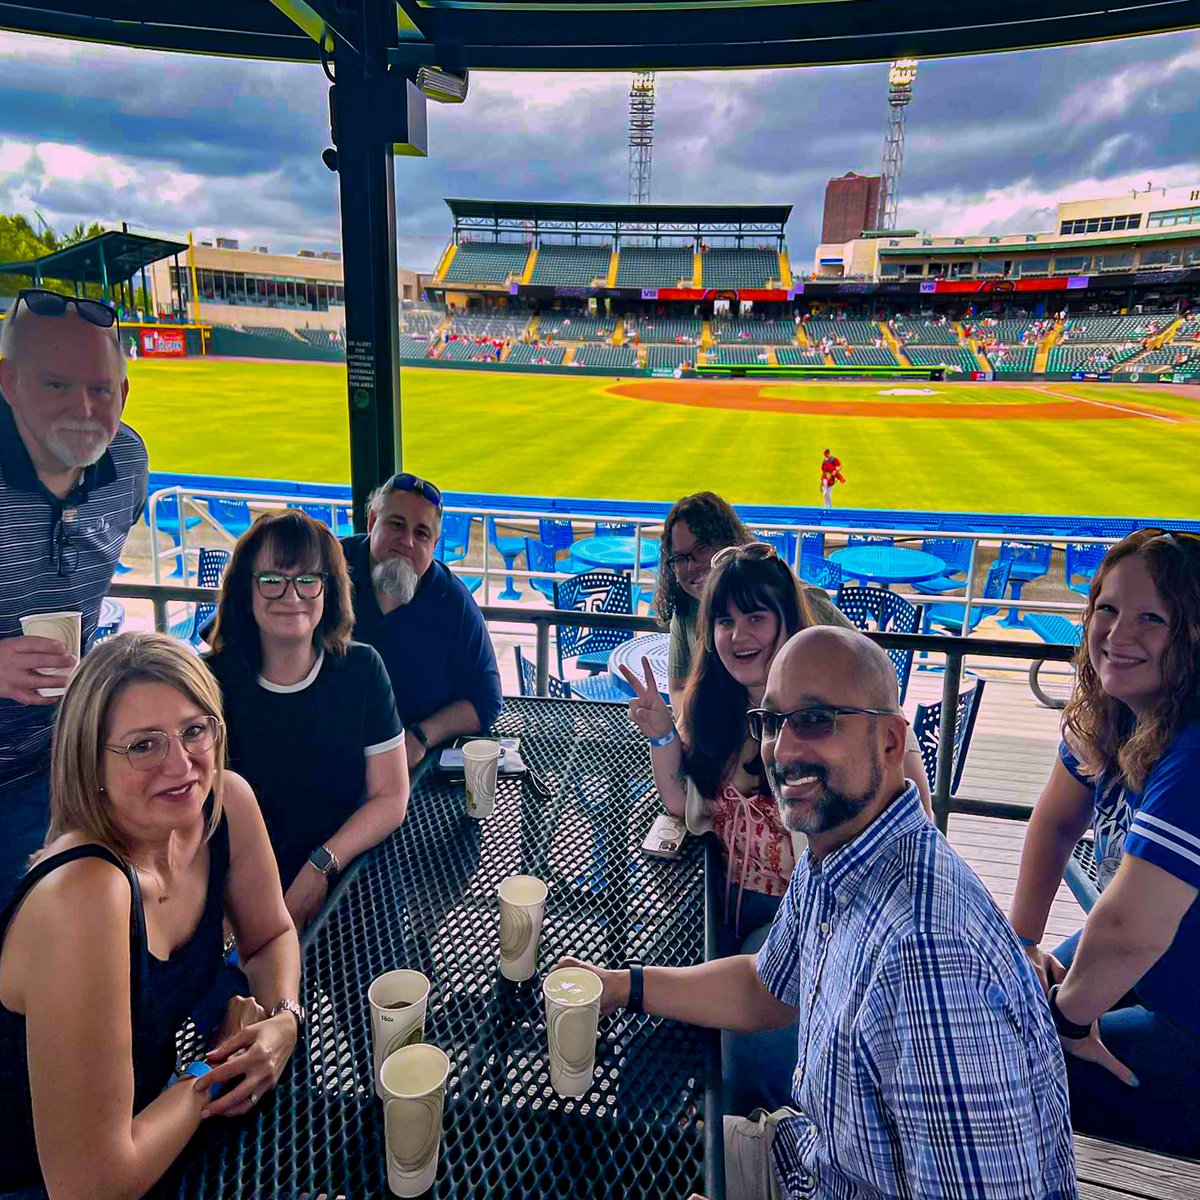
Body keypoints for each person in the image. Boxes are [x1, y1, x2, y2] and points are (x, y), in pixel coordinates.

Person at [564, 626, 1076, 1200]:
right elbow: (766, 987)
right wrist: (618, 986)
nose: (781, 750)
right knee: (607, 1148)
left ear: (889, 741)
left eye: (815, 719)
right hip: (808, 1162)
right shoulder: (839, 850)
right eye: (772, 721)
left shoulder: (927, 958)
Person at [0, 633, 302, 1197]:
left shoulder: (224, 804)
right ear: (90, 763)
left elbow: (270, 937)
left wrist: (282, 1019)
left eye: (194, 730)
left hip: (148, 1126)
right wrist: (206, 1077)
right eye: (143, 745)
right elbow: (93, 1185)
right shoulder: (84, 895)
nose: (182, 764)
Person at [1010, 529, 1200, 1155]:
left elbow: (1128, 929)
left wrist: (1067, 1020)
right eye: (1108, 610)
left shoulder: (1193, 748)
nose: (1118, 635)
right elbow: (1056, 823)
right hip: (1162, 969)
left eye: (1153, 618)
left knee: (1013, 1075)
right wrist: (1023, 945)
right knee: (1006, 1007)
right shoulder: (1115, 714)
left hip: (1188, 1015)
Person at [0, 289, 148, 899]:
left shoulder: (129, 463)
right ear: (8, 382)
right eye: (56, 385)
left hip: (62, 763)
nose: (84, 409)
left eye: (101, 390)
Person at [206, 510, 409, 930]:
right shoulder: (208, 682)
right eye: (272, 579)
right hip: (238, 889)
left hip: (349, 877)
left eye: (307, 579)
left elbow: (390, 797)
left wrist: (322, 866)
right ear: (247, 588)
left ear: (328, 590)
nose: (291, 595)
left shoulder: (361, 669)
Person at [340, 473, 502, 771]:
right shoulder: (328, 567)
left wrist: (421, 737)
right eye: (396, 524)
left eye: (422, 533)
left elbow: (486, 699)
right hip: (329, 753)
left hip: (413, 767)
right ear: (373, 520)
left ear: (435, 543)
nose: (407, 541)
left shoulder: (452, 600)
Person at [655, 492, 848, 709]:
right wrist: (690, 731)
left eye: (702, 548)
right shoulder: (686, 610)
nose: (692, 566)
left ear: (728, 544)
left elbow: (866, 662)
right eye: (680, 558)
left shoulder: (796, 596)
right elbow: (680, 686)